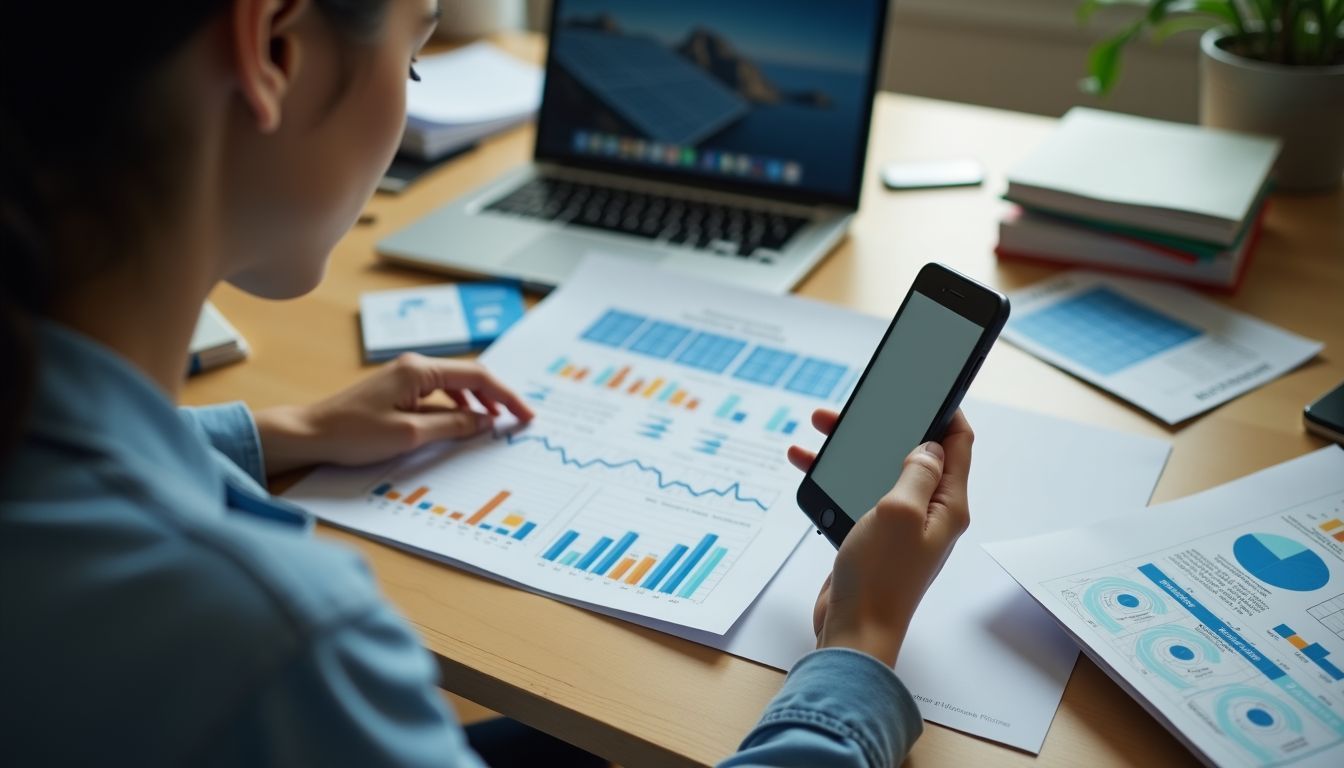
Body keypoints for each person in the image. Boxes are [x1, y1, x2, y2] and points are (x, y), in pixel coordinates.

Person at [0, 2, 974, 766]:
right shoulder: (281, 645)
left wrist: (279, 429)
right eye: (414, 56)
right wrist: (861, 645)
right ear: (275, 51)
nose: (409, 88)